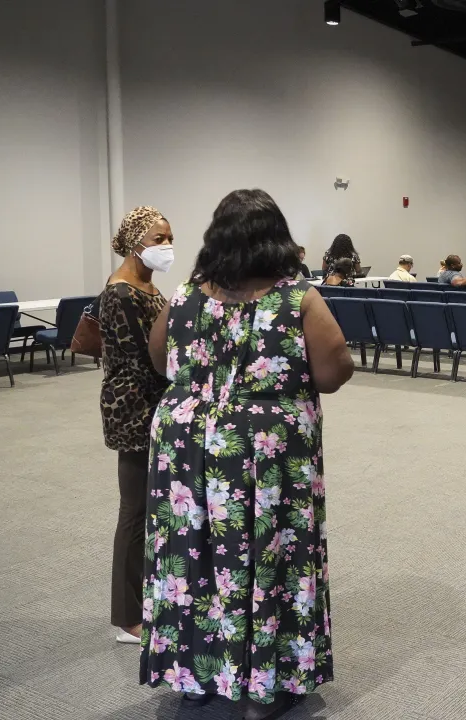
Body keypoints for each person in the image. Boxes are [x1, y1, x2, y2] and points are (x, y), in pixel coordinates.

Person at [144, 188, 352, 717]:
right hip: (263, 451)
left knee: (193, 553)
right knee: (268, 554)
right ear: (276, 238)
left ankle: (196, 673)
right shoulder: (296, 298)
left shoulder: (186, 296)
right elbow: (332, 372)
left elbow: (160, 358)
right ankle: (266, 685)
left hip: (186, 446)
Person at [99, 206, 174, 646]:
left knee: (151, 507)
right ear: (135, 241)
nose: (167, 246)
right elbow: (143, 359)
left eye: (169, 237)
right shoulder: (122, 293)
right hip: (134, 409)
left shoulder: (148, 287)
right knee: (134, 511)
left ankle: (149, 598)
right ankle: (128, 617)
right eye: (159, 238)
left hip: (156, 403)